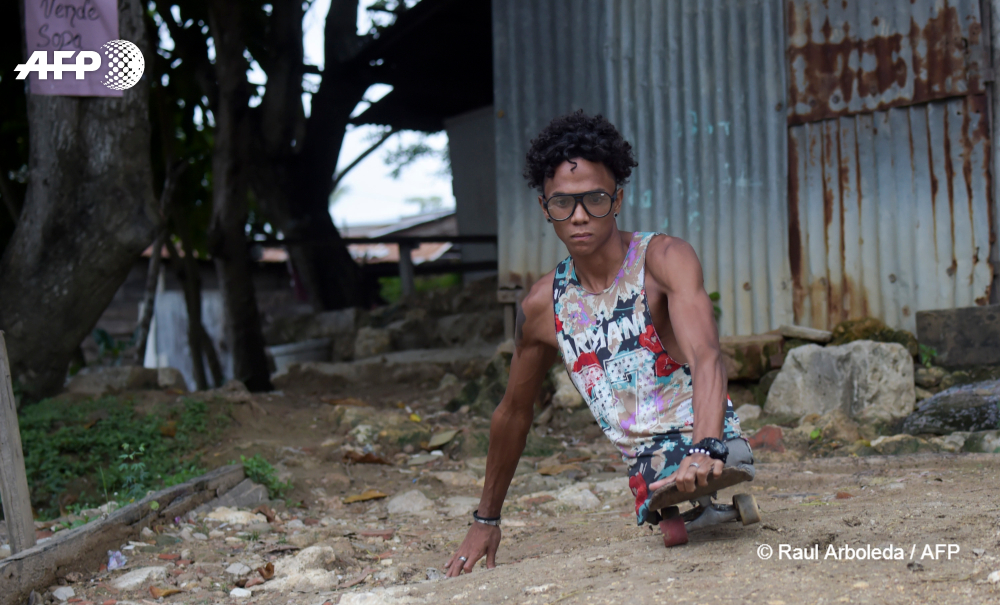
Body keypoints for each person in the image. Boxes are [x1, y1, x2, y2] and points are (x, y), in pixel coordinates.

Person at [445, 110, 750, 577]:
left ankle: (701, 480)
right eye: (563, 204)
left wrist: (706, 447)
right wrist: (485, 519)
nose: (580, 216)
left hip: (711, 441)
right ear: (545, 207)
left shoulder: (664, 259)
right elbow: (513, 412)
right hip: (649, 465)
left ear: (618, 198)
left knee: (702, 463)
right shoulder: (543, 306)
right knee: (657, 480)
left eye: (595, 199)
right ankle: (676, 498)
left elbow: (706, 353)